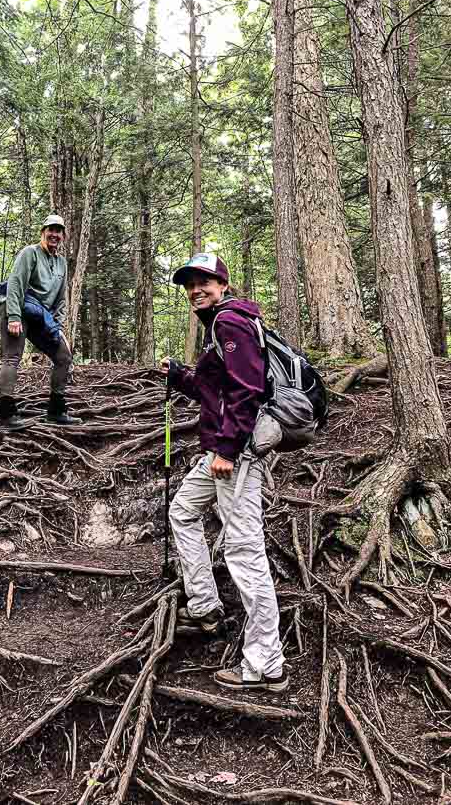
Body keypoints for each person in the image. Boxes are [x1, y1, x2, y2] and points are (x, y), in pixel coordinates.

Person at [159, 252, 287, 693]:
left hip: (236, 454)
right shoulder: (218, 326)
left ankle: (265, 663)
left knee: (244, 551)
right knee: (183, 511)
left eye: (205, 281)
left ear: (223, 285)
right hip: (218, 451)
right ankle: (205, 604)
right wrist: (179, 375)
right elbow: (212, 389)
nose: (196, 289)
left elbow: (248, 389)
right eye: (190, 283)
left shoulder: (230, 322)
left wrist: (229, 449)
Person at [0, 214, 81, 428]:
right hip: (17, 308)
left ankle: (56, 410)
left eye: (58, 231)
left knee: (63, 356)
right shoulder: (30, 253)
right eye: (50, 230)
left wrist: (58, 328)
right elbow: (16, 283)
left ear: (62, 236)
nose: (54, 234)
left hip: (40, 315)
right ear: (43, 232)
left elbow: (61, 299)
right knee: (12, 357)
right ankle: (6, 414)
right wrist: (14, 317)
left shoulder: (61, 263)